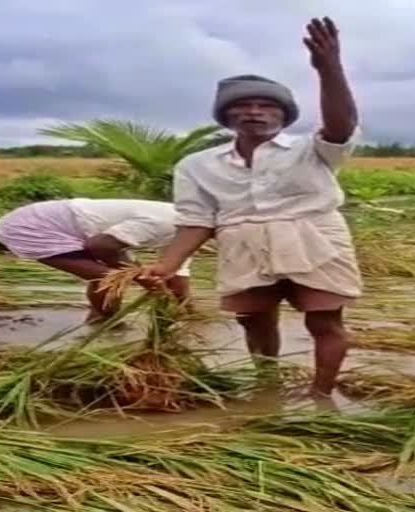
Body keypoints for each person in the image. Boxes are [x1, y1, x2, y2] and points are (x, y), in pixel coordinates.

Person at [139, 17, 363, 397]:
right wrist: (166, 265)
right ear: (227, 117)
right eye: (243, 106)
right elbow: (196, 221)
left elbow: (341, 126)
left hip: (314, 238)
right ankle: (267, 384)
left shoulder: (312, 149)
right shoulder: (196, 165)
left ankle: (321, 395)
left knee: (325, 322)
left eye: (266, 106)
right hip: (241, 243)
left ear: (283, 115)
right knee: (253, 321)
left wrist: (329, 69)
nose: (254, 112)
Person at [0, 198, 193, 323]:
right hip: (33, 225)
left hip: (83, 231)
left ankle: (102, 323)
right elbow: (100, 246)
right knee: (107, 277)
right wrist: (141, 277)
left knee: (110, 278)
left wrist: (189, 311)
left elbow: (177, 275)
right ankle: (104, 322)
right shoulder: (167, 221)